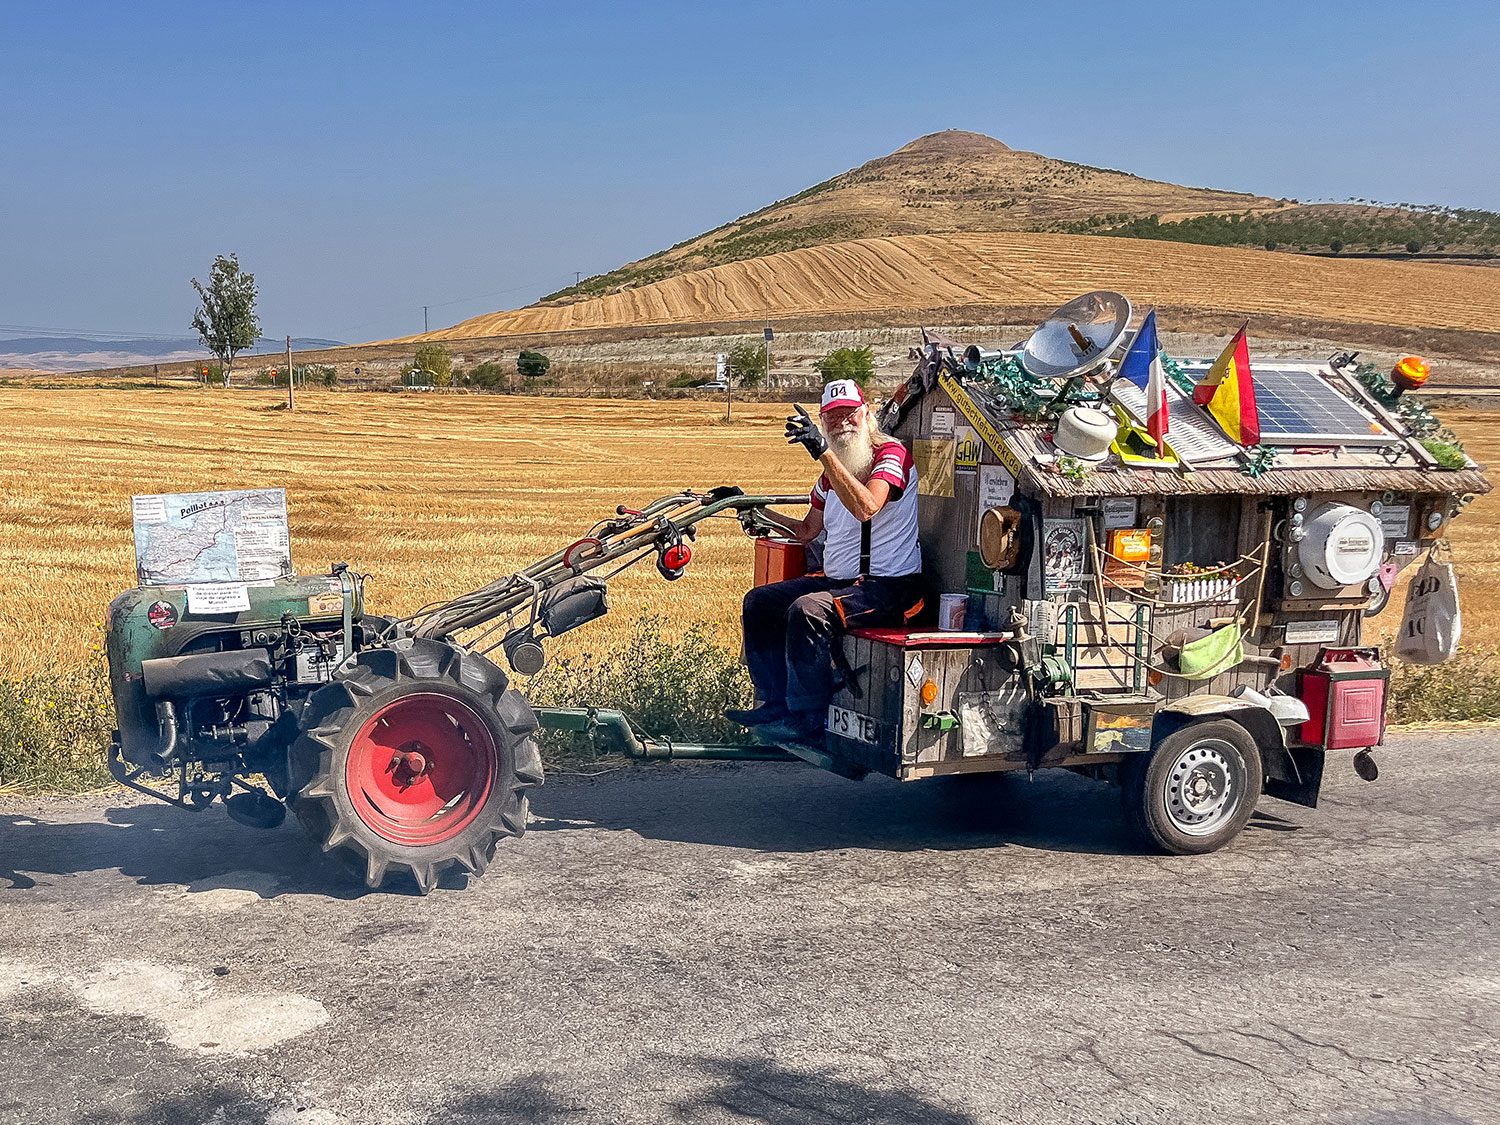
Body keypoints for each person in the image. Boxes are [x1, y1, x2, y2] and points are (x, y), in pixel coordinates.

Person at [728, 379, 924, 745]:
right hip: (844, 582)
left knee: (808, 610)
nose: (842, 424)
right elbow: (806, 530)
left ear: (866, 415)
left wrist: (823, 453)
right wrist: (751, 507)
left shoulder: (891, 455)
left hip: (890, 586)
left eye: (849, 414)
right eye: (832, 418)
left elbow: (867, 507)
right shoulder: (830, 477)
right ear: (822, 422)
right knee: (760, 601)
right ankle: (774, 703)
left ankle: (810, 719)